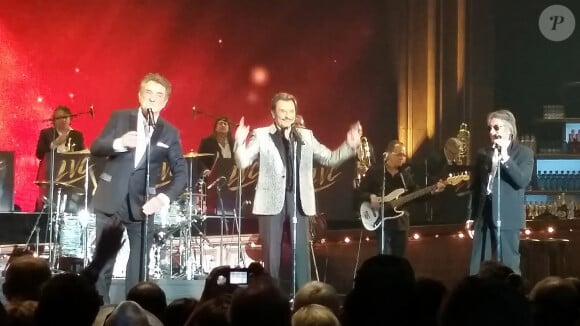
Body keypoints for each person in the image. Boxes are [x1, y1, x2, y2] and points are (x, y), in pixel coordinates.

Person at [233, 92, 361, 291]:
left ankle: (305, 296)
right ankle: (270, 297)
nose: (287, 115)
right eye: (282, 111)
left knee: (301, 254)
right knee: (272, 256)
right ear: (273, 113)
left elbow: (330, 158)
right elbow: (243, 162)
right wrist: (240, 142)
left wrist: (349, 146)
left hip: (300, 200)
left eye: (291, 111)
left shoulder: (305, 136)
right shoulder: (261, 135)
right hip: (270, 200)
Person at [90, 72, 187, 304]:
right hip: (111, 199)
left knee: (140, 270)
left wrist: (162, 199)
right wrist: (120, 143)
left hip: (143, 205)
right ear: (140, 96)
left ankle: (134, 312)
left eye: (159, 95)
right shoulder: (120, 117)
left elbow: (182, 174)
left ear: (165, 102)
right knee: (103, 264)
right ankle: (100, 312)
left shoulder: (170, 132)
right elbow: (96, 146)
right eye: (149, 93)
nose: (153, 98)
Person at [465, 109, 533, 275]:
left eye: (496, 127)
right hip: (484, 216)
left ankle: (512, 296)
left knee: (509, 265)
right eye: (490, 128)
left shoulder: (524, 153)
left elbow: (522, 180)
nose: (492, 132)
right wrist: (471, 217)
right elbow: (476, 188)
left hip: (508, 217)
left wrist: (505, 158)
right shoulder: (483, 154)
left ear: (509, 129)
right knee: (477, 266)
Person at [358, 140, 445, 257]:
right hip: (383, 224)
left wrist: (433, 191)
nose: (402, 157)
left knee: (399, 260)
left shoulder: (405, 176)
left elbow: (416, 196)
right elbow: (360, 193)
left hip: (401, 224)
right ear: (388, 154)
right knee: (385, 260)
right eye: (399, 154)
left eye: (404, 155)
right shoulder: (375, 173)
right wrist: (370, 196)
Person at [34, 105, 86, 211]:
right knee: (47, 205)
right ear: (54, 120)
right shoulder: (46, 133)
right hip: (50, 176)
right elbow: (39, 154)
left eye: (65, 117)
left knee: (69, 206)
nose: (63, 120)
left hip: (71, 177)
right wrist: (55, 143)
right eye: (59, 118)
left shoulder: (77, 135)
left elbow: (81, 154)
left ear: (70, 119)